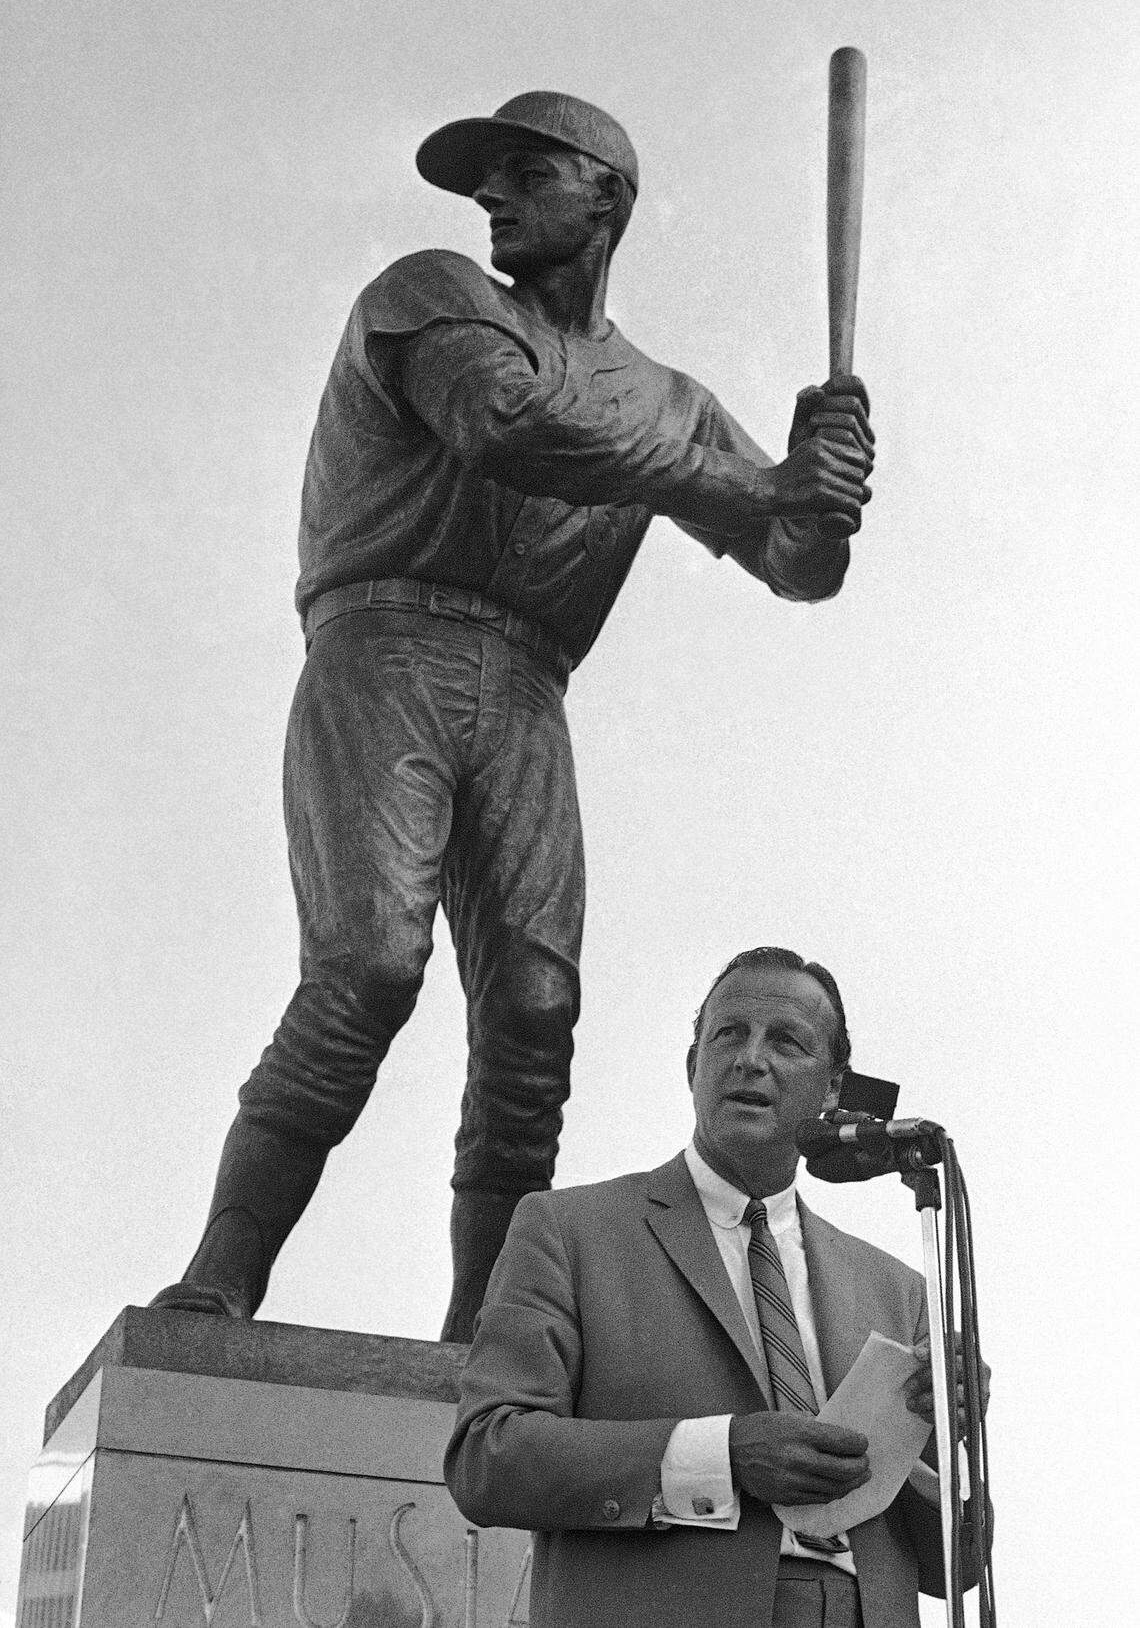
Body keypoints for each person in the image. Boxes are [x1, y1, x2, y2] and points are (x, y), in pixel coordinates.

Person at [152, 94, 876, 1341]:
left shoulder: (670, 401)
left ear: (606, 197)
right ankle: (222, 1271)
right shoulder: (430, 292)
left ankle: (483, 1333)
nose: (491, 195)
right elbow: (508, 425)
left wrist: (828, 473)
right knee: (368, 966)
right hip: (385, 642)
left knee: (536, 1015)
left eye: (524, 172)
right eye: (487, 177)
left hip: (533, 683)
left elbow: (797, 562)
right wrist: (761, 482)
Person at [445, 948, 991, 1628]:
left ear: (832, 1089)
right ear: (692, 1066)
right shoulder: (568, 1230)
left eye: (786, 1041)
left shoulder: (898, 1289)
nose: (750, 1058)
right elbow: (488, 1458)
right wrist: (721, 1453)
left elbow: (958, 1566)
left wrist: (953, 1427)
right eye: (729, 1033)